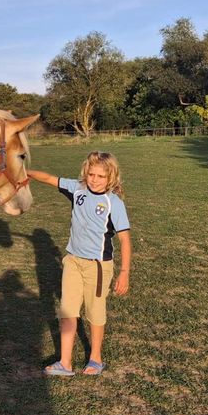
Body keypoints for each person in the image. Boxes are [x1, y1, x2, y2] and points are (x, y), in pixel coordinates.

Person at [27, 151, 132, 376]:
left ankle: (95, 359)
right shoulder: (78, 189)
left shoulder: (114, 202)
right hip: (73, 261)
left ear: (111, 177)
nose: (94, 179)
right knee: (68, 310)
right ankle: (64, 363)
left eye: (100, 176)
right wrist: (23, 173)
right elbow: (48, 178)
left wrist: (124, 272)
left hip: (98, 266)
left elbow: (124, 239)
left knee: (95, 312)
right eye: (91, 174)